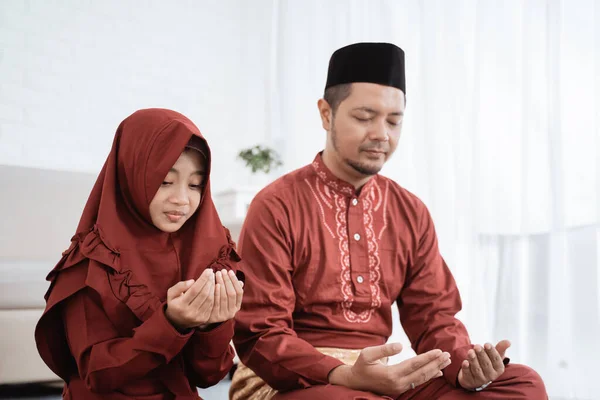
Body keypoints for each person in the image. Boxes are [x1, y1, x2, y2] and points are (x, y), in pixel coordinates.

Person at [229, 43, 547, 399]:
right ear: (326, 114)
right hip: (295, 379)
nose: (382, 134)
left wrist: (464, 367)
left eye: (394, 121)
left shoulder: (409, 211)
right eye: (365, 117)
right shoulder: (276, 206)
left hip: (381, 377)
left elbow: (434, 317)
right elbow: (261, 334)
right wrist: (344, 375)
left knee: (522, 383)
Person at [35, 108, 244, 399]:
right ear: (130, 174)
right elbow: (97, 375)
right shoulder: (91, 264)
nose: (182, 199)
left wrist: (214, 326)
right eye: (165, 181)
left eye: (195, 184)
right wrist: (172, 324)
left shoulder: (206, 255)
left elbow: (210, 376)